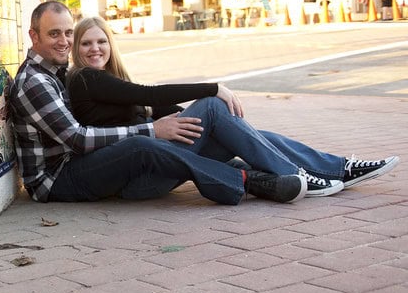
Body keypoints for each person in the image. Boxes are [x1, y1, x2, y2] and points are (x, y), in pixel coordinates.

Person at [8, 1, 307, 206]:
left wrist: (176, 118)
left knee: (218, 125)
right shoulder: (35, 81)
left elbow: (134, 104)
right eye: (54, 34)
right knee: (140, 145)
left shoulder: (55, 71)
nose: (63, 41)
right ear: (34, 36)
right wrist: (153, 129)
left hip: (80, 167)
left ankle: (316, 170)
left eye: (67, 33)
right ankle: (247, 180)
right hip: (55, 181)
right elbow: (78, 138)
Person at [66, 15, 399, 196]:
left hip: (157, 170)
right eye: (86, 43)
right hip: (141, 179)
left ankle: (338, 168)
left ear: (111, 44)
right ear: (76, 49)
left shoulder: (107, 82)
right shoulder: (84, 78)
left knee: (245, 132)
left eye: (101, 41)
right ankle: (301, 174)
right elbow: (150, 94)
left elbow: (151, 106)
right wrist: (214, 88)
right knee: (211, 106)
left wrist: (181, 115)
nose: (95, 49)